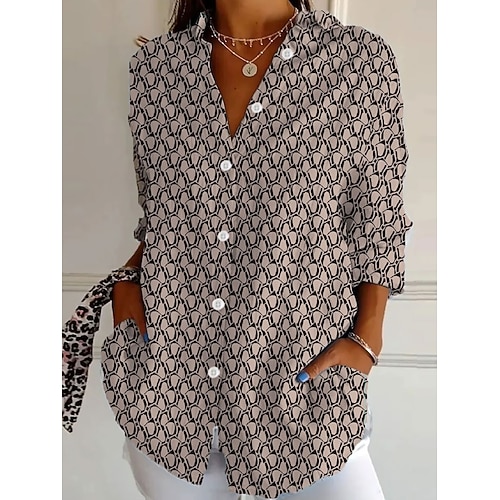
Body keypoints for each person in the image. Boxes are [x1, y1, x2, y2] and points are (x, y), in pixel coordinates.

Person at [106, 1, 413, 499]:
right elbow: (163, 217)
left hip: (302, 397)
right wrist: (126, 286)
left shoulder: (357, 61)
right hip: (171, 397)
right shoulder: (155, 71)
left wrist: (367, 338)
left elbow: (377, 219)